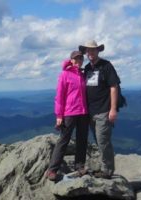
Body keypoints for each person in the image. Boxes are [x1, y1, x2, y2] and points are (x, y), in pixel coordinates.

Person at [79, 40, 120, 179]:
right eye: (88, 50)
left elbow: (114, 87)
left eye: (93, 50)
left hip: (104, 110)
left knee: (103, 141)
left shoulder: (106, 66)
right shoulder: (87, 68)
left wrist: (113, 109)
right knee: (98, 140)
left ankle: (107, 170)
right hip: (90, 112)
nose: (90, 53)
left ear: (98, 51)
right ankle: (104, 167)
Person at [45, 51, 89, 181]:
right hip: (69, 112)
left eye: (81, 58)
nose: (79, 60)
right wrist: (59, 115)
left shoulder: (82, 74)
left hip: (83, 112)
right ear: (71, 60)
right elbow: (59, 96)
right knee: (63, 140)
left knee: (82, 140)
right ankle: (52, 170)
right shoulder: (65, 74)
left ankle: (80, 166)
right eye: (76, 59)